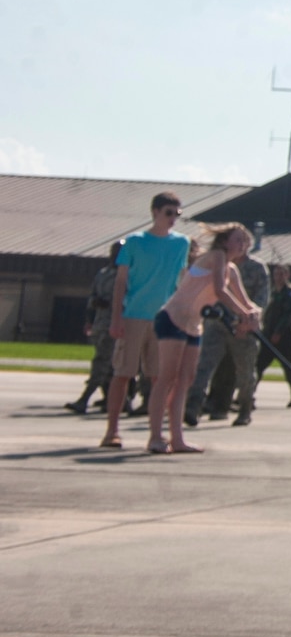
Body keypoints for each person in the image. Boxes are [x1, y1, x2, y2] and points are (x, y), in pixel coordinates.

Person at [147, 223, 263, 455]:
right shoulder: (216, 256)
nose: (243, 245)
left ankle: (177, 438)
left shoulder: (231, 269)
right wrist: (242, 314)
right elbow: (220, 291)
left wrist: (254, 314)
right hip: (173, 318)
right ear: (224, 241)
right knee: (166, 378)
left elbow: (245, 300)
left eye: (246, 241)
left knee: (185, 381)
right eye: (238, 239)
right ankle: (155, 437)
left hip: (193, 325)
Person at [103, 192, 188, 450]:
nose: (173, 219)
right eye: (168, 213)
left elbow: (182, 280)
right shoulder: (135, 242)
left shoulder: (182, 243)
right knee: (123, 374)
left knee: (159, 378)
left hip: (164, 319)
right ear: (155, 213)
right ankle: (112, 431)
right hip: (133, 316)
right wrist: (117, 317)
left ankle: (156, 434)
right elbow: (120, 282)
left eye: (177, 214)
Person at [185, 250, 270, 428]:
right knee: (203, 367)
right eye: (235, 241)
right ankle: (194, 405)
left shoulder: (257, 268)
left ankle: (245, 408)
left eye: (243, 242)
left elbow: (261, 299)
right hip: (217, 325)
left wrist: (248, 321)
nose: (238, 247)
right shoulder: (217, 265)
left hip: (245, 327)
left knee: (245, 371)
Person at [66, 241, 123, 415]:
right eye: (114, 251)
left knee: (101, 362)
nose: (115, 255)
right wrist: (89, 318)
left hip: (115, 325)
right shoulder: (103, 273)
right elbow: (92, 296)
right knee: (109, 365)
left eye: (119, 252)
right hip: (100, 323)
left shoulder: (128, 275)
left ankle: (84, 399)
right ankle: (115, 400)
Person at [254, 260, 291, 409]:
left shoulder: (290, 292)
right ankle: (248, 394)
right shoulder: (271, 292)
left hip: (283, 336)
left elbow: (287, 315)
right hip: (268, 334)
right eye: (276, 273)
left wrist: (278, 332)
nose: (278, 277)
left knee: (289, 368)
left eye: (282, 274)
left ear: (288, 275)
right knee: (258, 366)